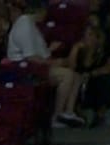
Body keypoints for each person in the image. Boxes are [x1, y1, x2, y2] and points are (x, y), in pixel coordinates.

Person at [6, 0, 85, 128]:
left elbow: (38, 52)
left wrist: (50, 51)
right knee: (67, 75)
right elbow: (31, 57)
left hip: (37, 66)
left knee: (76, 76)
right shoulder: (24, 23)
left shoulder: (32, 25)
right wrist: (55, 62)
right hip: (25, 69)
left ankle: (68, 112)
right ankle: (57, 116)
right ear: (40, 11)